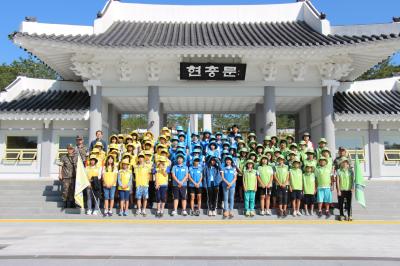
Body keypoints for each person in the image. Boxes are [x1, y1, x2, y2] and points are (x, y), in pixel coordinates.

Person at [58, 144, 78, 209]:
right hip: (66, 177)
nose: (70, 150)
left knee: (73, 191)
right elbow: (60, 166)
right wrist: (60, 174)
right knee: (65, 191)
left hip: (73, 177)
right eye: (69, 148)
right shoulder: (63, 157)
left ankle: (72, 203)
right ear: (67, 149)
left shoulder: (76, 157)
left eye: (71, 149)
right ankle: (65, 203)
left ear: (73, 150)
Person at [336, 157, 354, 221]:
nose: (344, 164)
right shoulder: (338, 171)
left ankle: (349, 215)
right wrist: (338, 190)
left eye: (346, 163)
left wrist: (352, 187)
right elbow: (337, 181)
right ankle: (341, 215)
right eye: (343, 163)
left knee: (349, 203)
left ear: (348, 164)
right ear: (341, 164)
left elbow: (352, 180)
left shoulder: (350, 171)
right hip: (341, 190)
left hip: (349, 190)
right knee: (340, 203)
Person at [134, 152, 152, 217]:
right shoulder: (136, 167)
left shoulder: (147, 167)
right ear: (138, 159)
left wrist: (147, 183)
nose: (141, 159)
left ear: (144, 158)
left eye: (142, 157)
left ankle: (144, 209)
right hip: (138, 184)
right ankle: (139, 209)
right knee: (138, 198)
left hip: (145, 184)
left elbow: (149, 176)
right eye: (140, 157)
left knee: (145, 198)